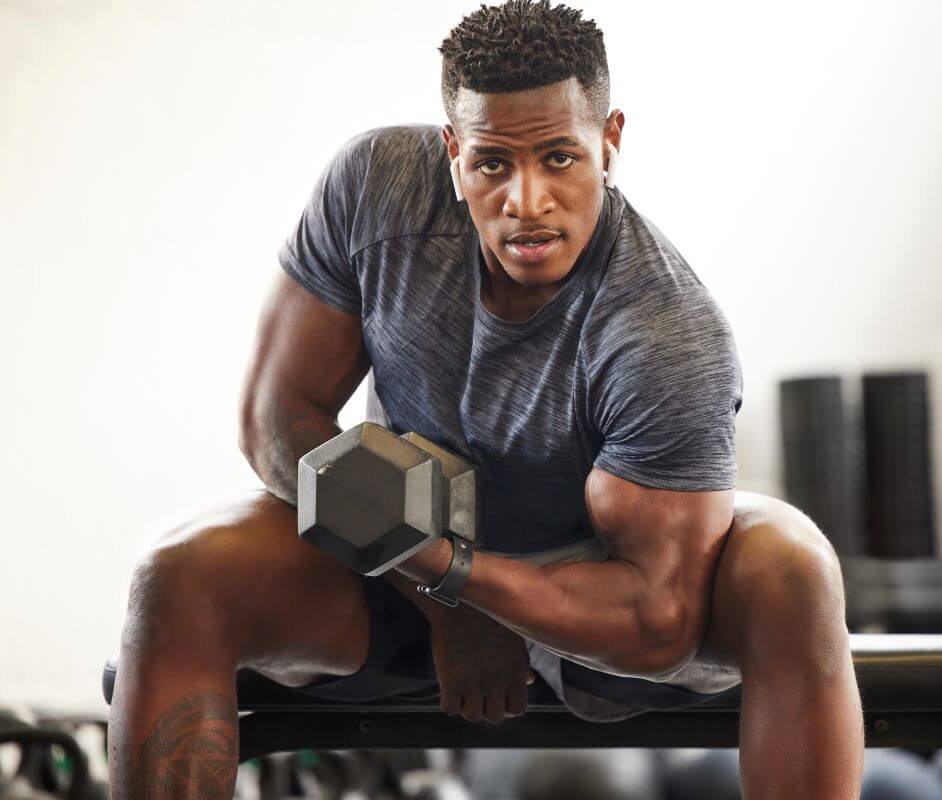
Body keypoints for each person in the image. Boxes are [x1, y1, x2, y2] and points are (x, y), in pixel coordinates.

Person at [107, 1, 864, 797]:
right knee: (176, 575)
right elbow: (277, 421)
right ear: (451, 151)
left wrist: (460, 578)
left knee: (795, 569)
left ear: (610, 143)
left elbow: (657, 618)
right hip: (401, 549)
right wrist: (443, 598)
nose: (526, 200)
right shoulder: (376, 190)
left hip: (600, 594)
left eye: (560, 159)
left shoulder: (665, 329)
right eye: (493, 162)